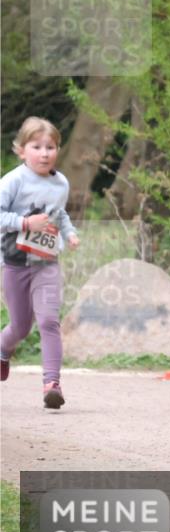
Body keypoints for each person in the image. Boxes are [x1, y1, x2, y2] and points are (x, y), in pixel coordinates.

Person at [0, 117, 81, 409]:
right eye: (37, 147)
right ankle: (2, 350)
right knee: (20, 327)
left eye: (51, 147)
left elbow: (59, 215)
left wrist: (70, 233)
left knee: (48, 321)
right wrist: (25, 222)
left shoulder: (61, 183)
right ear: (22, 150)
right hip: (14, 262)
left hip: (47, 263)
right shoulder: (12, 181)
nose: (45, 153)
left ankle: (52, 384)